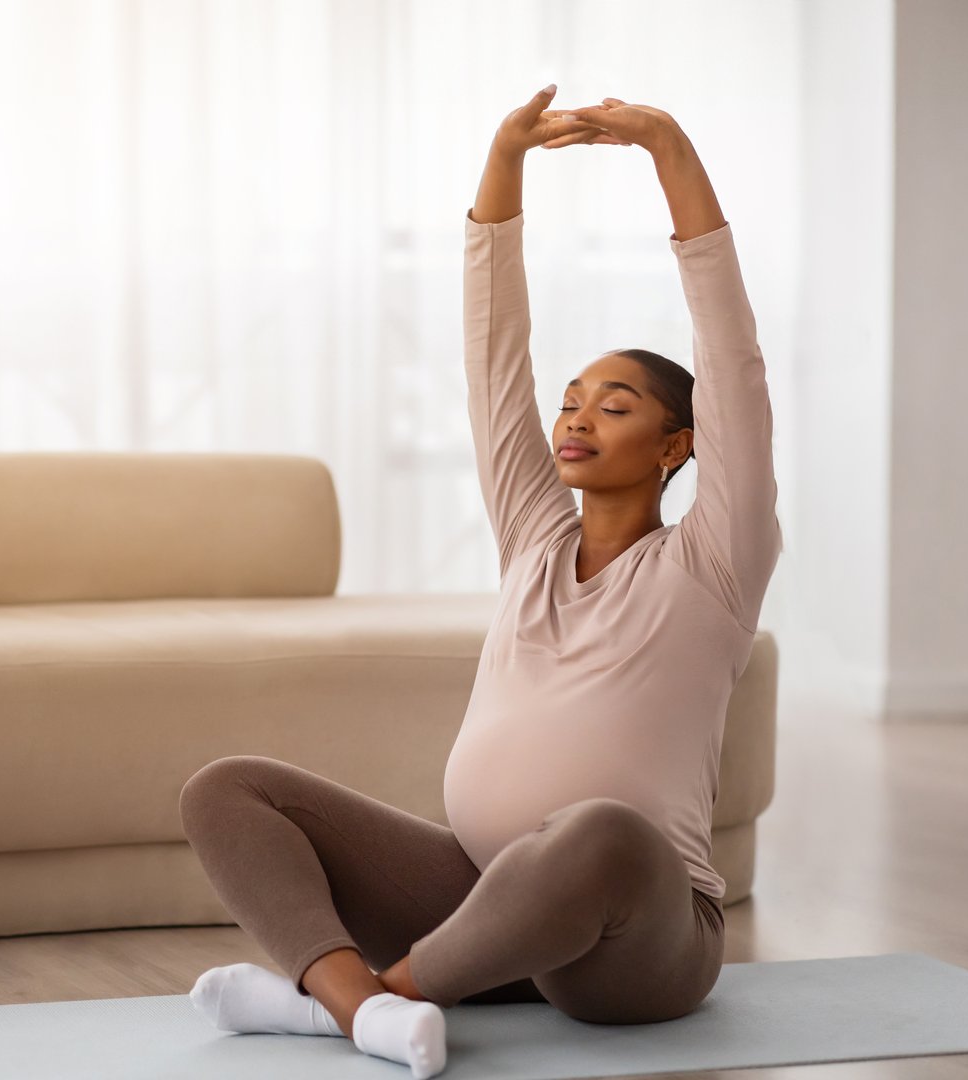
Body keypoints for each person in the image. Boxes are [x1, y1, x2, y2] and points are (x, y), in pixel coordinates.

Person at [181, 83, 783, 1080]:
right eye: (573, 403)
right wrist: (502, 168)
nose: (576, 420)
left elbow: (736, 368)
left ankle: (366, 1004)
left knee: (600, 834)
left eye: (616, 406)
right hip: (481, 906)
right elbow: (494, 364)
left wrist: (669, 151)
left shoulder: (716, 561)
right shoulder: (536, 535)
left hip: (637, 941)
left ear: (679, 443)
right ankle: (353, 1000)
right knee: (228, 791)